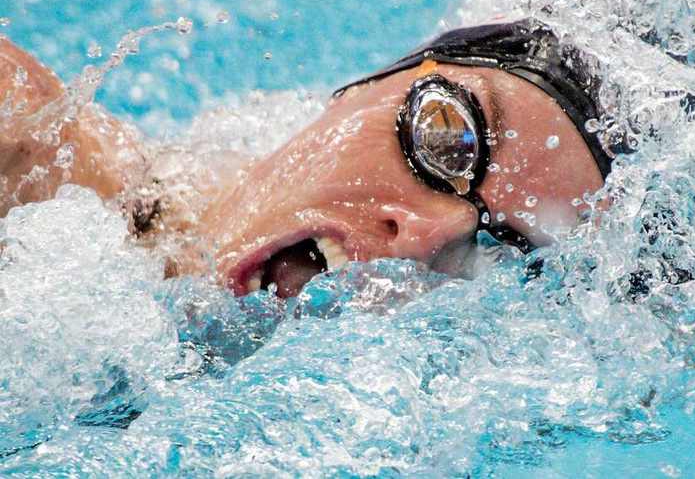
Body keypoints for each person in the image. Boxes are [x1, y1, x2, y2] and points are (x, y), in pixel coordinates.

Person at [0, 20, 615, 299]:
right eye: (449, 139)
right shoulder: (26, 150)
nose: (428, 234)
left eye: (502, 250)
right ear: (365, 85)